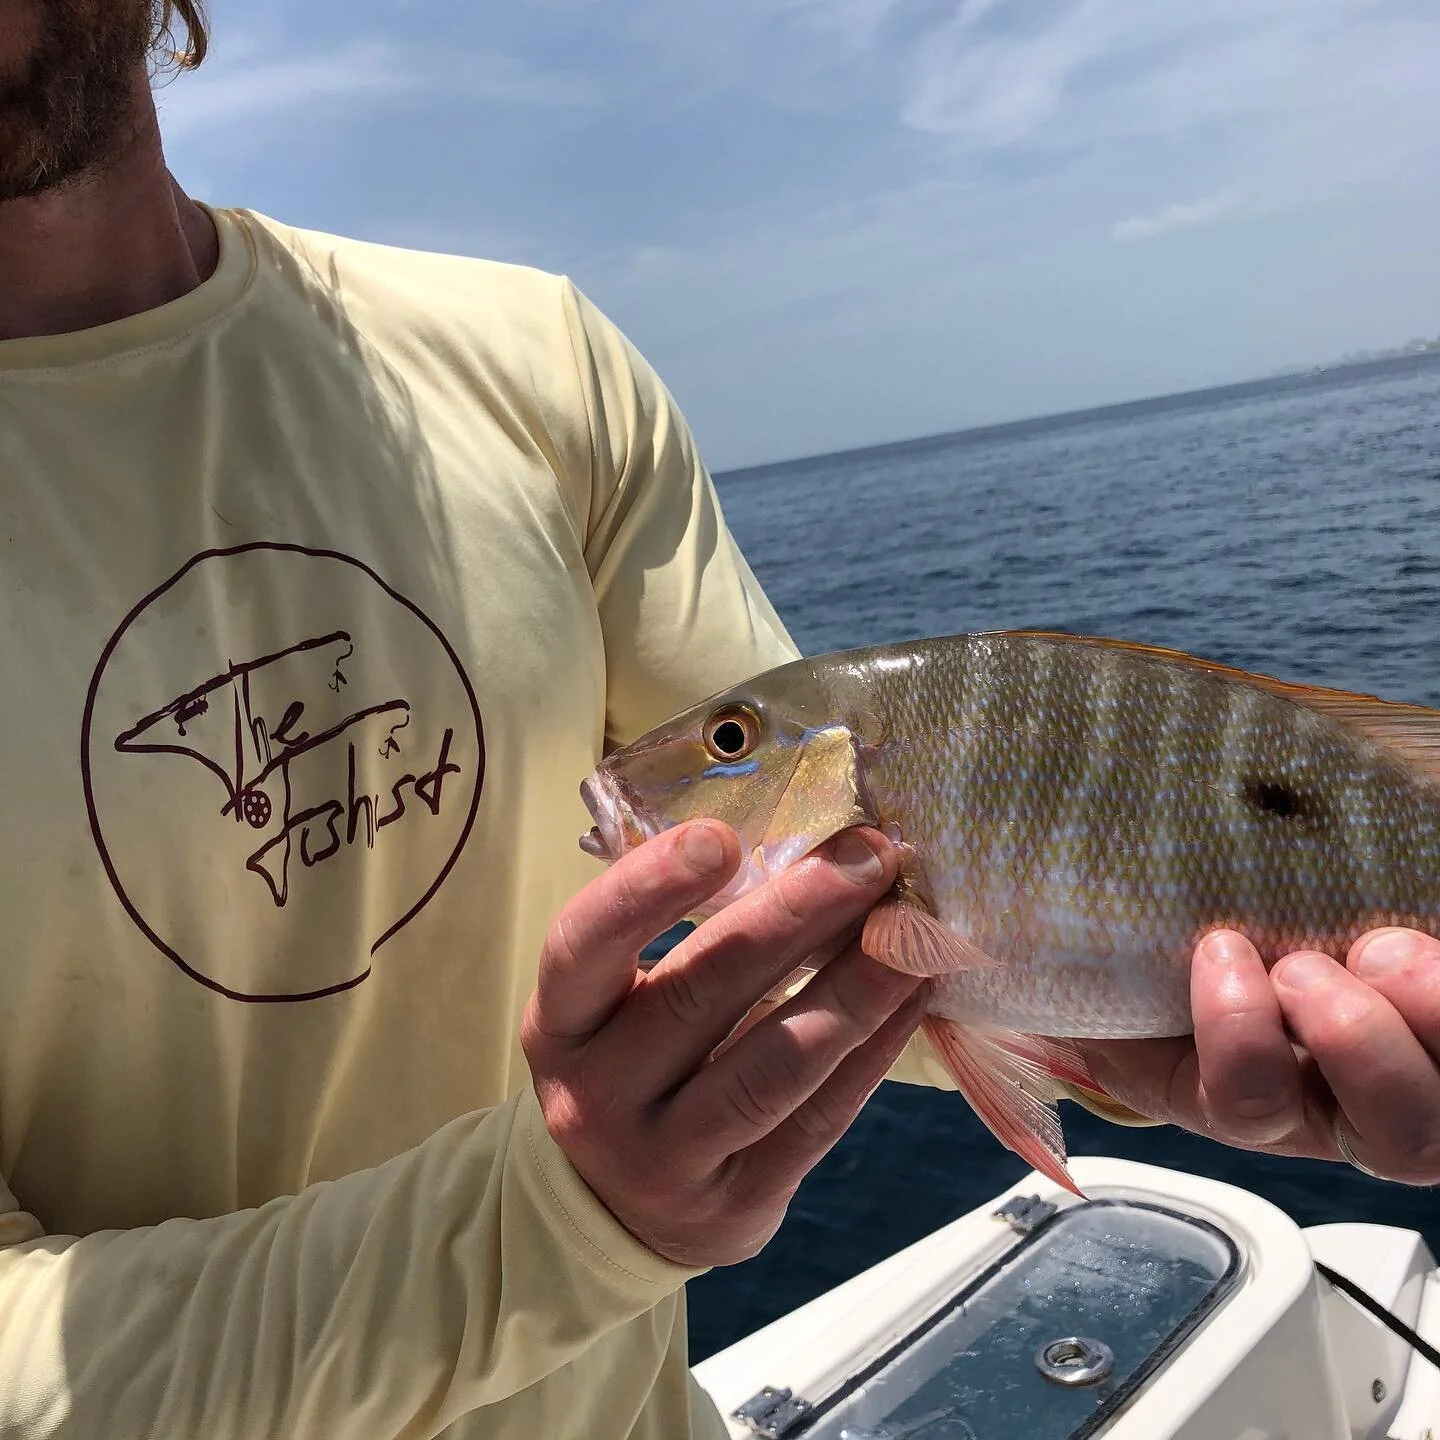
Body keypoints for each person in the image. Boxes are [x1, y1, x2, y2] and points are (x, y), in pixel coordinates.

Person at [1, 4, 1437, 1437]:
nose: (655, 775)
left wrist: (1098, 1036)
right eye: (728, 749)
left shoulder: (530, 360)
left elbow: (845, 928)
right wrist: (559, 1222)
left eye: (731, 748)